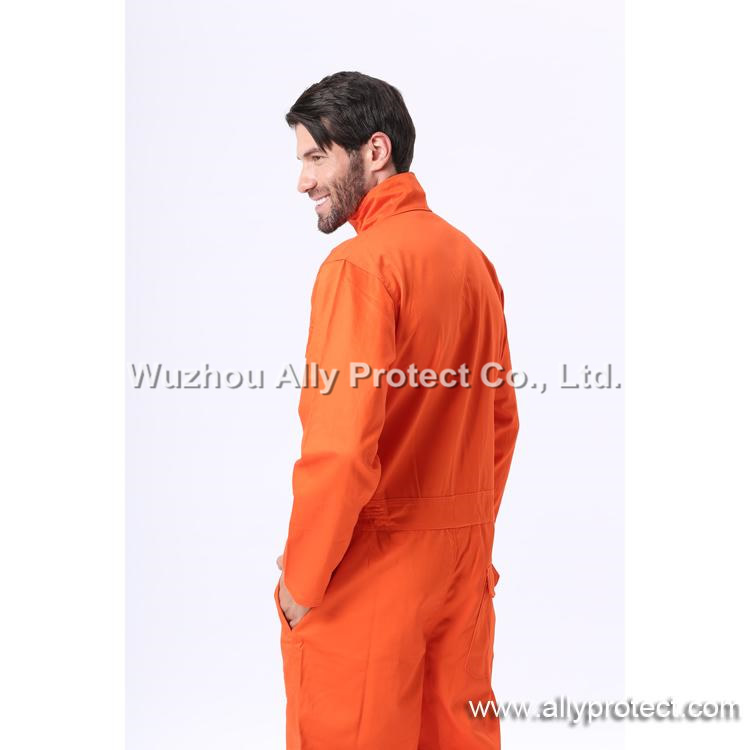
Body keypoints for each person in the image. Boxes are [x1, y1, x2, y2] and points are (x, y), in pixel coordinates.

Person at [273, 71, 520, 749]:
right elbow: (501, 421)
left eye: (316, 157)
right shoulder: (470, 261)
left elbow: (341, 445)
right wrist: (466, 531)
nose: (303, 181)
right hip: (461, 571)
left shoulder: (360, 267)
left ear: (374, 150)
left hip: (373, 574)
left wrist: (303, 579)